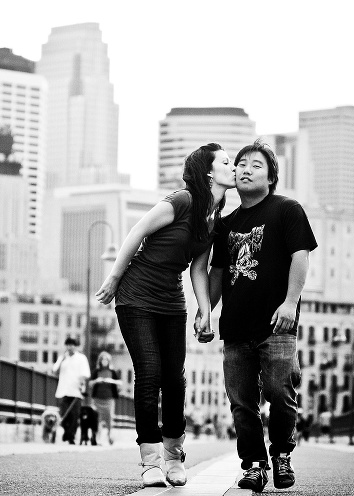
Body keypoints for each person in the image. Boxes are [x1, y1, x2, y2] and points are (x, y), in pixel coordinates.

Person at [96, 143, 235, 487]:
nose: (234, 168)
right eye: (227, 162)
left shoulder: (215, 219)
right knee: (150, 373)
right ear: (208, 173)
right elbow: (137, 231)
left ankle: (175, 456)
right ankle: (151, 461)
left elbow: (199, 269)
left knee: (175, 379)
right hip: (136, 295)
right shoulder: (182, 201)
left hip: (171, 301)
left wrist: (206, 312)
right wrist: (113, 278)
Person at [207, 139, 318, 493]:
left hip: (277, 325)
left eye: (256, 165)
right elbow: (218, 273)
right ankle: (254, 465)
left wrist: (290, 303)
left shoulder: (287, 210)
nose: (244, 169)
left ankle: (282, 454)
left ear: (271, 178)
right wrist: (204, 312)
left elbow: (301, 256)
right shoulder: (225, 225)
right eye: (240, 164)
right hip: (236, 328)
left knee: (278, 391)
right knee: (242, 403)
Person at [52, 337, 90, 445]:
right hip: (63, 390)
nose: (69, 347)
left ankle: (71, 436)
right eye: (68, 345)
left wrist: (81, 384)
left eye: (72, 345)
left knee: (74, 415)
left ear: (75, 346)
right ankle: (66, 432)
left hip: (76, 391)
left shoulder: (81, 358)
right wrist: (62, 361)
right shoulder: (62, 358)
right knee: (64, 414)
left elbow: (85, 374)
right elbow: (54, 371)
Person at [89, 350, 121, 445]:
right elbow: (90, 384)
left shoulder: (112, 372)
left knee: (109, 418)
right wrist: (96, 381)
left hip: (109, 399)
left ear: (109, 361)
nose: (104, 361)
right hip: (97, 399)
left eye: (106, 359)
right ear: (99, 361)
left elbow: (120, 383)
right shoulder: (96, 371)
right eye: (102, 359)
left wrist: (111, 381)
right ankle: (97, 438)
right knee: (97, 419)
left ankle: (110, 436)